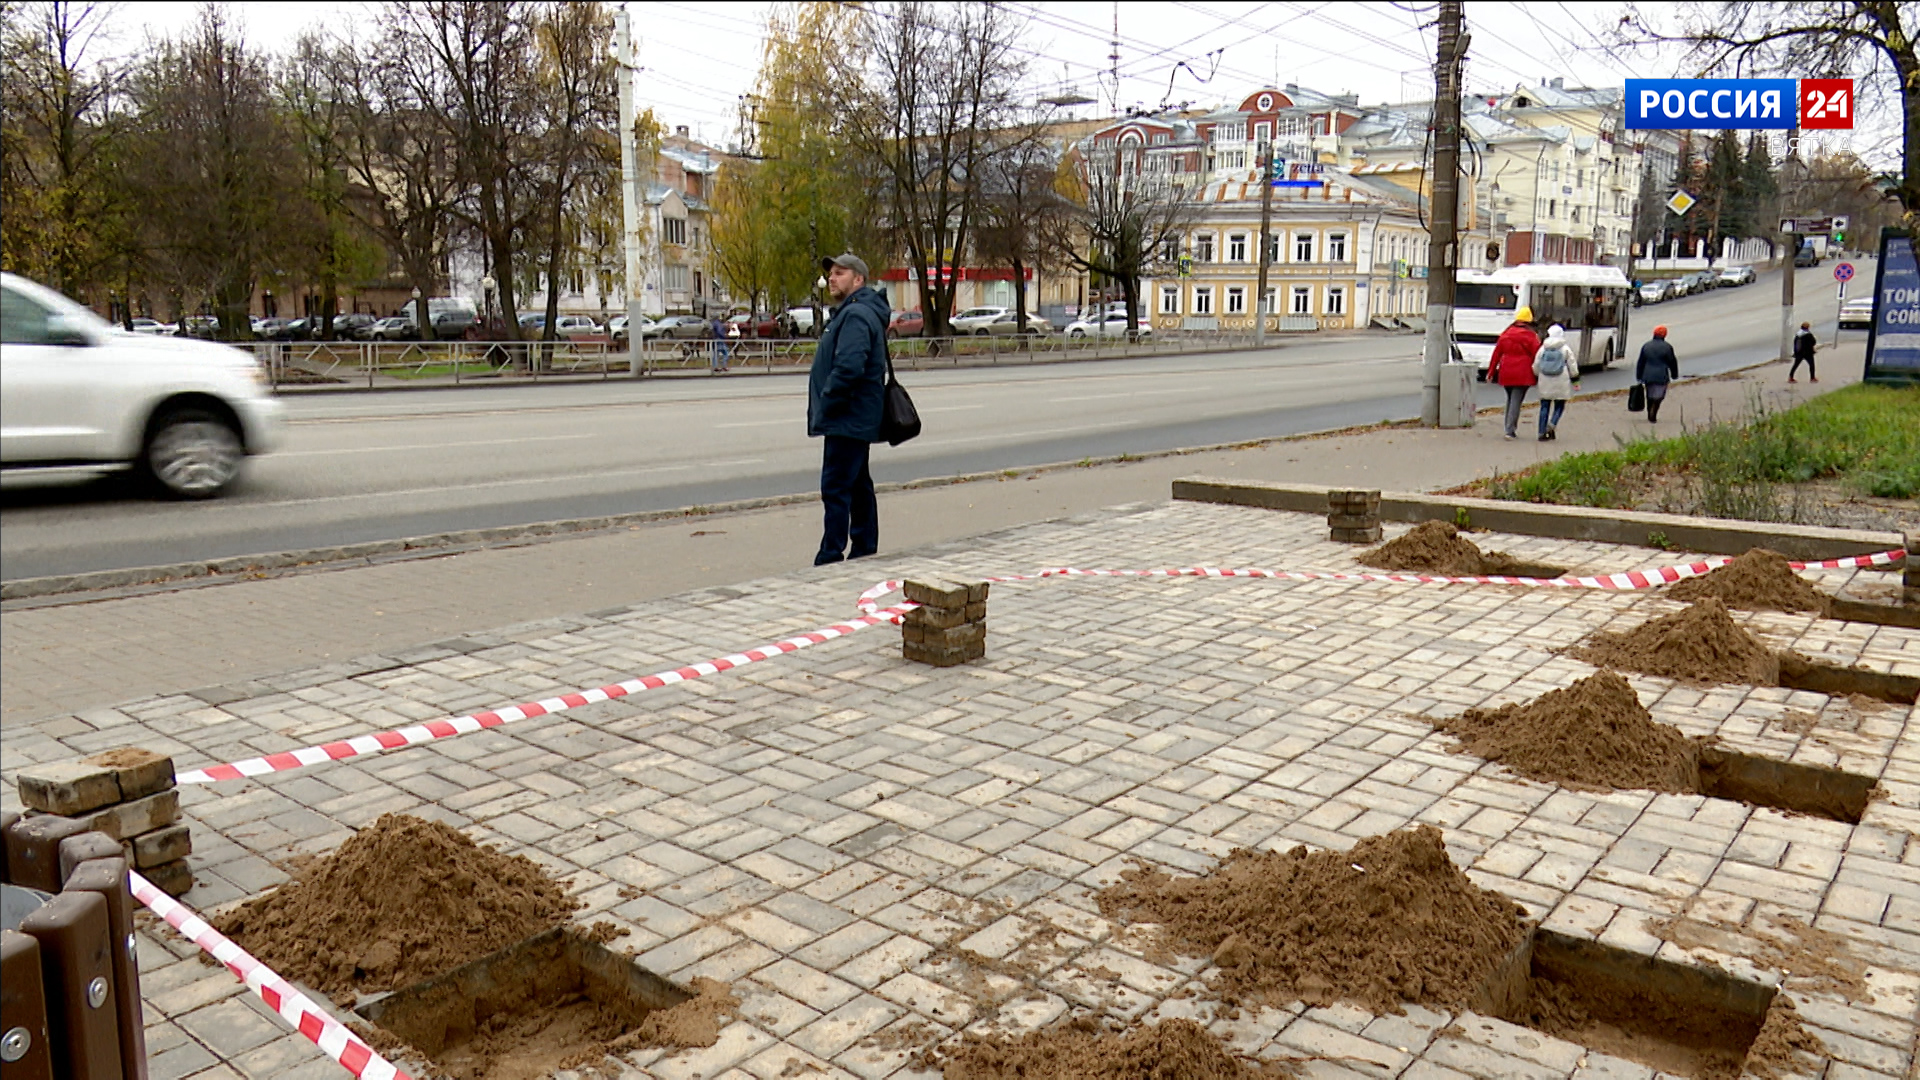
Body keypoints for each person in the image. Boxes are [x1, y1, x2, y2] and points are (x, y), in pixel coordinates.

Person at [807, 253, 890, 566]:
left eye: (840, 273)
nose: (832, 278)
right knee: (856, 484)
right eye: (831, 273)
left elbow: (849, 367)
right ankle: (864, 547)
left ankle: (830, 555)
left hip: (847, 416)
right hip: (854, 415)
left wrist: (828, 401)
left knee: (836, 486)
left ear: (858, 280)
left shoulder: (856, 315)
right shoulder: (855, 312)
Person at [1488, 305, 1541, 440]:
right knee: (1516, 400)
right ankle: (1509, 430)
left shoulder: (1506, 334)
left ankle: (1508, 427)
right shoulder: (1531, 336)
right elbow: (1538, 355)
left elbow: (1497, 354)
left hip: (1506, 371)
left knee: (1511, 399)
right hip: (1523, 373)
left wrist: (1491, 372)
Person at [1532, 323, 1578, 441]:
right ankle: (1552, 424)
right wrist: (1575, 378)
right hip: (1561, 380)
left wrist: (1538, 375)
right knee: (1559, 405)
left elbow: (1536, 364)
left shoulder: (1543, 348)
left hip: (1545, 379)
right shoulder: (1565, 348)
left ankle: (1541, 432)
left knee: (1544, 406)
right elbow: (1572, 365)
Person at [1635, 325, 1680, 423]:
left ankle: (1649, 412)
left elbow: (1641, 362)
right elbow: (1672, 362)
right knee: (1659, 396)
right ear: (1664, 335)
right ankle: (1653, 412)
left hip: (1647, 374)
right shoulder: (1667, 347)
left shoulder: (1646, 346)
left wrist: (1639, 375)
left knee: (1649, 395)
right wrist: (1674, 374)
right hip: (1661, 375)